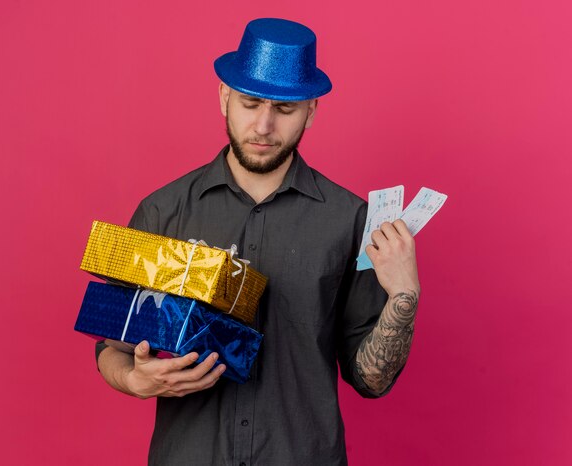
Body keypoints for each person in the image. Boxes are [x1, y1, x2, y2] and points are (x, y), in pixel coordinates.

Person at [94, 18, 420, 466]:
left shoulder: (351, 219)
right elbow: (110, 344)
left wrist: (404, 296)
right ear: (225, 98)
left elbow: (371, 381)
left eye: (285, 110)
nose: (264, 126)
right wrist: (135, 380)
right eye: (250, 104)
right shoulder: (162, 211)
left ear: (311, 111)